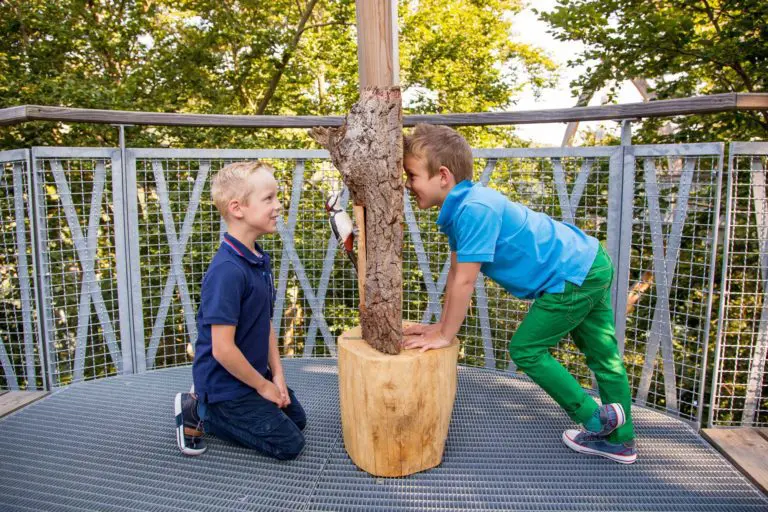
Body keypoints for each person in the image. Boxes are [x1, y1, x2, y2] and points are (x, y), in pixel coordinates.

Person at [401, 124, 637, 464]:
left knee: (526, 349)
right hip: (587, 261)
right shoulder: (462, 209)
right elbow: (456, 273)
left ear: (442, 175)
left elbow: (466, 282)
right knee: (603, 356)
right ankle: (621, 440)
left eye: (411, 175)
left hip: (571, 275)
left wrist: (445, 334)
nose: (408, 186)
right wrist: (439, 328)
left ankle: (596, 419)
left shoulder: (474, 210)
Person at [174, 161, 306, 459]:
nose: (279, 206)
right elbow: (222, 350)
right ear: (237, 208)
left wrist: (277, 377)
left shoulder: (258, 259)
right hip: (226, 387)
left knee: (297, 420)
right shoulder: (227, 271)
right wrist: (262, 387)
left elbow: (265, 324)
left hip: (252, 375)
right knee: (289, 445)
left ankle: (229, 404)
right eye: (268, 198)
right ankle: (201, 409)